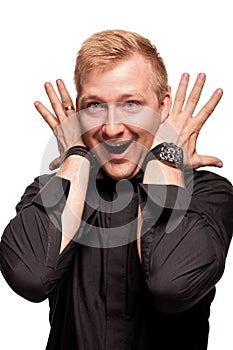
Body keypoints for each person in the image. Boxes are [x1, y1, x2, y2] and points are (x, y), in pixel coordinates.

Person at [0, 29, 232, 350]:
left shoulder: (209, 193)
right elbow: (31, 277)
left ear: (163, 106)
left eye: (131, 104)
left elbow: (172, 283)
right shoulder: (48, 189)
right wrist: (76, 156)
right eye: (95, 105)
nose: (111, 128)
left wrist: (166, 155)